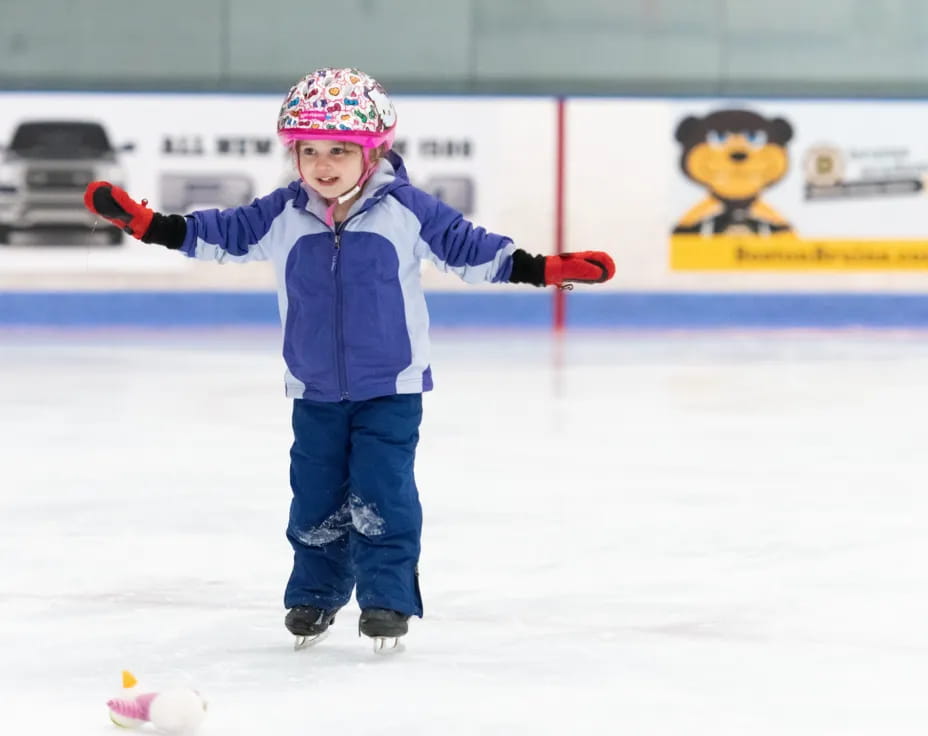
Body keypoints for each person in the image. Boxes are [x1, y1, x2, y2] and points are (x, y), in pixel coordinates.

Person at [82, 67, 615, 651]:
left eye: (340, 149)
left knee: (382, 492)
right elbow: (219, 234)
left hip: (390, 385)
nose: (323, 164)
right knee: (314, 496)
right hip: (312, 388)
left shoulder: (408, 209)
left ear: (373, 150)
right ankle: (315, 595)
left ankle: (386, 600)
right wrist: (147, 224)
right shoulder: (282, 212)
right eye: (309, 151)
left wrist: (545, 270)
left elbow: (470, 251)